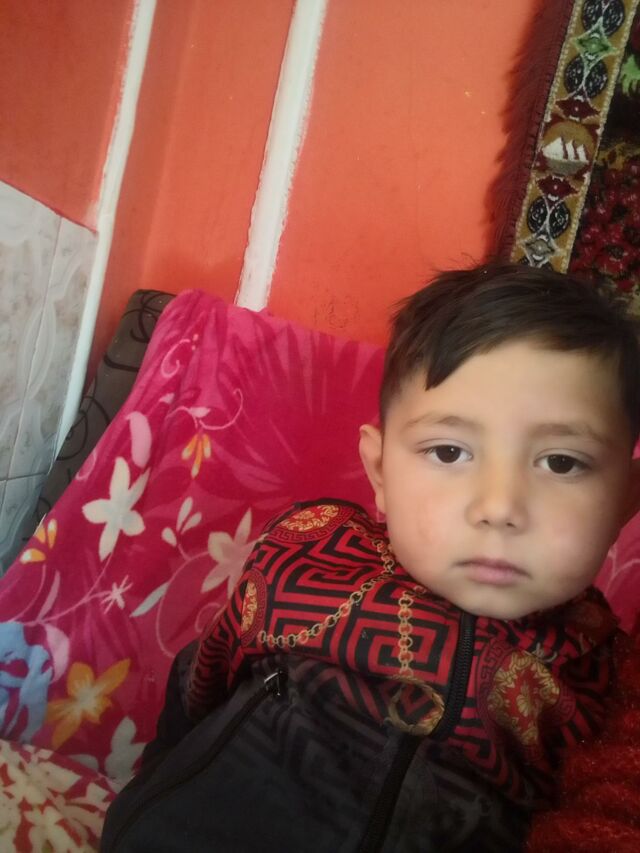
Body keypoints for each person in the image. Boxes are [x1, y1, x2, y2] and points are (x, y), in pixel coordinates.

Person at [100, 264, 640, 853]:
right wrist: (152, 793)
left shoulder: (609, 675)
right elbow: (200, 680)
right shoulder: (310, 550)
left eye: (561, 462)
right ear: (380, 471)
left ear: (625, 500)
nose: (499, 507)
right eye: (450, 451)